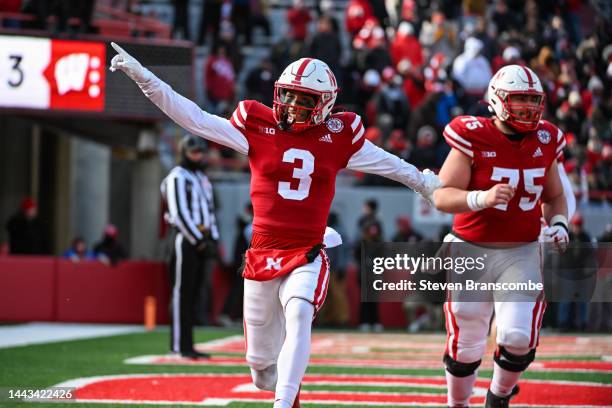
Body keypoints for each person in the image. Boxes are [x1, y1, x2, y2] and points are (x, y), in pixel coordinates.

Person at [110, 44, 441, 408]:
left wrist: (423, 183)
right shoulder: (257, 125)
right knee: (261, 370)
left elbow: (388, 163)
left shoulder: (340, 135)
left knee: (299, 313)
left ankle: (283, 405)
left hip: (308, 250)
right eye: (288, 95)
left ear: (326, 103)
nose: (293, 105)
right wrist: (146, 79)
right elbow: (195, 118)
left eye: (304, 99)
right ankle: (283, 392)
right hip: (262, 254)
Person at [432, 65, 570, 407]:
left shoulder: (546, 138)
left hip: (521, 250)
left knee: (518, 335)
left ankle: (499, 396)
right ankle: (458, 403)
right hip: (471, 248)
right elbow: (441, 195)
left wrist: (561, 223)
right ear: (496, 100)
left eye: (532, 100)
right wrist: (482, 198)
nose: (527, 108)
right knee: (466, 343)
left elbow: (554, 196)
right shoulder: (473, 135)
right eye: (519, 99)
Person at [160, 134, 220, 359]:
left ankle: (188, 345)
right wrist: (199, 240)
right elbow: (178, 214)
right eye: (193, 152)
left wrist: (212, 239)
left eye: (200, 152)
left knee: (194, 294)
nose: (197, 156)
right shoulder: (177, 176)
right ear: (183, 152)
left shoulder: (202, 178)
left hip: (201, 240)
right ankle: (179, 346)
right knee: (181, 293)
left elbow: (210, 211)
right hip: (184, 239)